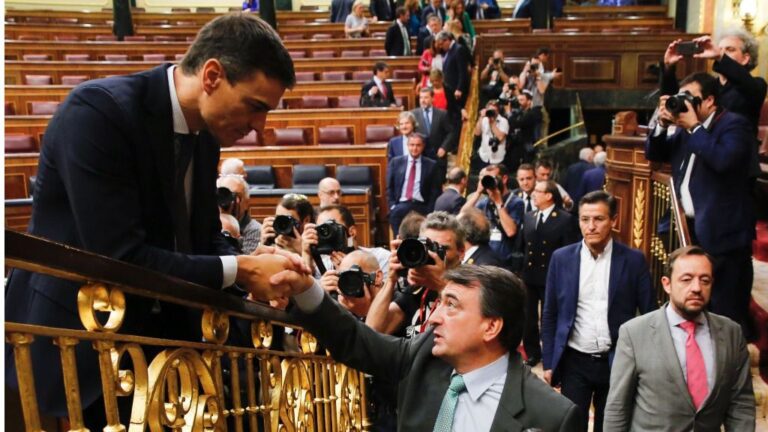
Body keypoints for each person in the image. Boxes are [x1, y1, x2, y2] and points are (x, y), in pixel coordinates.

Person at [4, 13, 300, 426]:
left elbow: (202, 236)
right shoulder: (99, 113)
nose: (261, 126)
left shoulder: (206, 136)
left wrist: (252, 269)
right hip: (76, 353)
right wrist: (242, 268)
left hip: (160, 358)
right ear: (212, 76)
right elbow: (119, 258)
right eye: (255, 106)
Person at [290, 265, 582, 431]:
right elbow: (356, 340)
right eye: (440, 303)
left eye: (451, 306)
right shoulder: (423, 354)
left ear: (491, 327)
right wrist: (305, 288)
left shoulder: (551, 416)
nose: (434, 318)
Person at [645, 72, 756, 337]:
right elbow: (655, 153)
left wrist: (695, 128)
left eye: (689, 98)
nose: (684, 104)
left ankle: (728, 367)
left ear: (709, 100)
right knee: (694, 303)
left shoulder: (734, 125)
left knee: (724, 311)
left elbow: (723, 160)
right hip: (691, 229)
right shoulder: (686, 132)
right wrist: (661, 125)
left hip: (724, 236)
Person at [603, 245, 755, 431]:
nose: (697, 288)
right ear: (667, 284)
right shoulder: (634, 333)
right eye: (686, 279)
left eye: (704, 280)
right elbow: (617, 408)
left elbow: (741, 403)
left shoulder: (731, 333)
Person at [541, 191, 656, 432]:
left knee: (612, 428)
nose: (590, 226)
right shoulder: (561, 259)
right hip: (574, 361)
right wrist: (550, 363)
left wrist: (645, 366)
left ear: (613, 220)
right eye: (584, 219)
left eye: (598, 219)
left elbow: (650, 316)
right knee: (572, 426)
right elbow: (550, 314)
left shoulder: (634, 261)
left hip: (618, 362)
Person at [367, 211, 465, 337]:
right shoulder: (417, 288)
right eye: (429, 248)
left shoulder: (472, 285)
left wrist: (442, 285)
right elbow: (373, 331)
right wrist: (391, 280)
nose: (433, 255)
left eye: (442, 249)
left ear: (461, 252)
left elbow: (469, 333)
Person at [661, 29, 766, 138]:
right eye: (720, 49)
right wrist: (669, 67)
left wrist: (720, 57)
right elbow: (673, 101)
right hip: (703, 146)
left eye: (730, 49)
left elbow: (746, 82)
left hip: (734, 149)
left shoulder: (757, 85)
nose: (723, 53)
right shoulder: (708, 84)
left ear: (745, 59)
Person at [521, 180, 578, 366]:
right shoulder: (529, 216)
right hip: (529, 275)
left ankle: (550, 353)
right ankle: (532, 353)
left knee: (548, 317)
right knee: (528, 317)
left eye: (539, 191)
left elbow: (569, 251)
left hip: (550, 277)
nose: (534, 194)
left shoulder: (564, 219)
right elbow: (522, 247)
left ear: (549, 195)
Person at [462, 164, 525, 273]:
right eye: (486, 178)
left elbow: (510, 231)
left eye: (492, 178)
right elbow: (463, 215)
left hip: (505, 262)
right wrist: (478, 192)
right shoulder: (485, 202)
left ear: (504, 179)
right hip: (486, 260)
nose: (489, 181)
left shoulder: (516, 202)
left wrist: (498, 202)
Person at [302, 204, 391, 276]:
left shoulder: (381, 257)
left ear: (352, 232)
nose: (327, 235)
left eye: (332, 228)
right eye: (322, 230)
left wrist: (350, 272)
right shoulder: (322, 265)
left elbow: (385, 295)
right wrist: (306, 253)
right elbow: (305, 293)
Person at [386, 133, 441, 235]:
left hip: (422, 205)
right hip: (401, 204)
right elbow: (390, 187)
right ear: (407, 146)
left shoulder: (431, 165)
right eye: (412, 145)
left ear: (423, 146)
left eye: (418, 145)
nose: (414, 148)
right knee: (396, 217)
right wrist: (392, 205)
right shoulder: (396, 162)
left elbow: (435, 191)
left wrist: (430, 210)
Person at [319, 250, 384, 319]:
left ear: (377, 277)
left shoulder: (392, 302)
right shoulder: (342, 300)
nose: (349, 284)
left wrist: (364, 313)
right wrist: (322, 297)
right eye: (345, 279)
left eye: (354, 277)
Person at [217, 174, 262, 254]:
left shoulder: (255, 230)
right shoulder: (211, 225)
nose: (229, 200)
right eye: (225, 195)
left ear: (247, 202)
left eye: (236, 196)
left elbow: (246, 263)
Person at [411, 86, 453, 171]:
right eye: (421, 97)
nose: (422, 100)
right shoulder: (413, 114)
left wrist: (444, 147)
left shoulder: (442, 114)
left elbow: (451, 132)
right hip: (420, 157)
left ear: (432, 98)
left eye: (426, 97)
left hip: (438, 156)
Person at [435, 30, 469, 133]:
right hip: (450, 89)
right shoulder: (449, 51)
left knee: (457, 115)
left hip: (456, 90)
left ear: (447, 40)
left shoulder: (458, 49)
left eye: (441, 44)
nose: (441, 47)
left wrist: (459, 88)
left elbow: (462, 72)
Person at [506, 89, 543, 168]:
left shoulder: (533, 113)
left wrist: (509, 114)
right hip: (516, 144)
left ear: (529, 101)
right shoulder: (518, 112)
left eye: (522, 100)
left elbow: (517, 124)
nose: (519, 102)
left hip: (527, 145)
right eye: (518, 100)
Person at [475, 100, 510, 166]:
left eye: (494, 110)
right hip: (483, 156)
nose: (492, 112)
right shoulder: (484, 119)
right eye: (490, 110)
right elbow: (477, 133)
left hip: (497, 158)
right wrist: (481, 117)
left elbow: (500, 137)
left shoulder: (504, 121)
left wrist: (492, 123)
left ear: (498, 111)